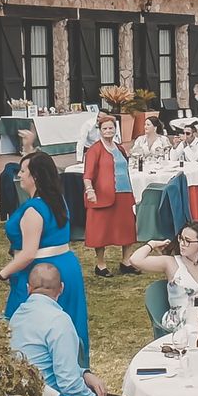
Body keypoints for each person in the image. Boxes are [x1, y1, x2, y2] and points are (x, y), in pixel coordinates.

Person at [9, 264, 133, 396]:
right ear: (61, 288)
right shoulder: (58, 321)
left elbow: (49, 362)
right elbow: (69, 384)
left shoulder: (17, 316)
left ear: (28, 288)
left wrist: (84, 373)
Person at [0, 152, 90, 367]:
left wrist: (4, 272)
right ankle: (73, 368)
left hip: (42, 273)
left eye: (23, 171)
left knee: (26, 325)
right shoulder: (57, 201)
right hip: (66, 266)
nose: (19, 175)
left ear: (35, 177)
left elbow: (29, 252)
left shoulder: (33, 210)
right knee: (68, 319)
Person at [129, 222, 198, 318]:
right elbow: (135, 260)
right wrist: (152, 244)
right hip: (180, 322)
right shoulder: (171, 263)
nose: (182, 243)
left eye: (187, 241)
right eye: (181, 238)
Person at [83, 115, 138, 278]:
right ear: (99, 131)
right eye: (105, 128)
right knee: (101, 230)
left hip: (124, 193)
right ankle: (100, 264)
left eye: (111, 128)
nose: (108, 131)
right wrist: (90, 190)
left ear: (115, 129)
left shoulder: (120, 148)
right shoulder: (94, 150)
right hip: (103, 196)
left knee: (127, 228)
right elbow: (87, 174)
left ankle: (126, 261)